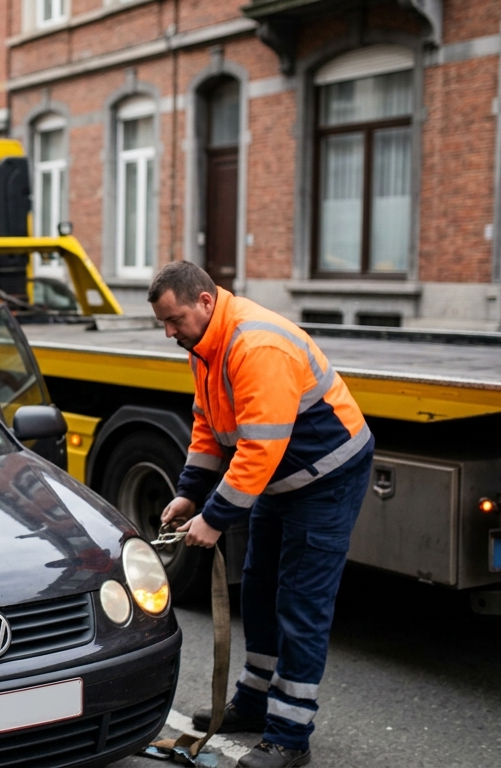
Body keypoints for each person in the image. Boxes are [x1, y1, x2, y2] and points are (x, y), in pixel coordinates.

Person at [150, 262, 373, 768]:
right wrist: (189, 493)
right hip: (281, 478)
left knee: (300, 600)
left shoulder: (255, 345)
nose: (169, 332)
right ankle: (254, 701)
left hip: (326, 478)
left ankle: (290, 739)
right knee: (258, 586)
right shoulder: (204, 345)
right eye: (162, 322)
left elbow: (258, 449)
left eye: (175, 319)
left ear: (205, 302)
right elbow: (209, 424)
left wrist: (214, 517)